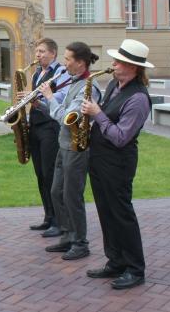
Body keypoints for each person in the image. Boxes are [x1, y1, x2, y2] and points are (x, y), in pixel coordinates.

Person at [80, 39, 153, 290]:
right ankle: (115, 261)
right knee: (106, 211)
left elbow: (121, 137)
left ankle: (135, 269)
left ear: (133, 67)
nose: (112, 64)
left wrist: (96, 113)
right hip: (99, 159)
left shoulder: (139, 99)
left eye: (118, 61)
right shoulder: (114, 84)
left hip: (118, 163)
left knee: (121, 214)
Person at [38, 42, 101, 261]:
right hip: (64, 144)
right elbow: (60, 110)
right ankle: (66, 235)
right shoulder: (73, 80)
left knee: (72, 195)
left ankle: (80, 242)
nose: (64, 63)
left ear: (80, 63)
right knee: (56, 192)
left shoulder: (89, 87)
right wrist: (40, 103)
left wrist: (48, 97)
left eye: (67, 59)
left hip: (77, 148)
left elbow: (66, 117)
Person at [26, 38, 68, 237]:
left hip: (50, 127)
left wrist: (38, 103)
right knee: (40, 174)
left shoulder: (59, 72)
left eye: (42, 51)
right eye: (37, 51)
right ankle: (48, 216)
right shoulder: (37, 73)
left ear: (53, 53)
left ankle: (58, 221)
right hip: (35, 127)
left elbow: (58, 100)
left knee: (50, 174)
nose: (38, 55)